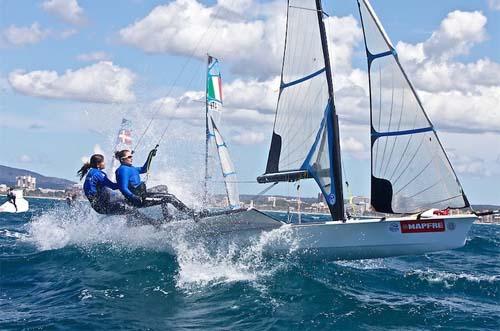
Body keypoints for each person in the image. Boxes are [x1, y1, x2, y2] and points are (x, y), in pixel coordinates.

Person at [114, 148, 194, 217]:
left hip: (143, 194)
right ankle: (193, 215)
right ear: (122, 159)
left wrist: (150, 156)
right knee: (170, 198)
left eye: (131, 156)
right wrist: (134, 198)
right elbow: (123, 188)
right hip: (139, 200)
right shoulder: (122, 170)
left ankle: (166, 216)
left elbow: (144, 169)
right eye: (129, 157)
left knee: (163, 188)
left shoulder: (131, 168)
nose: (132, 158)